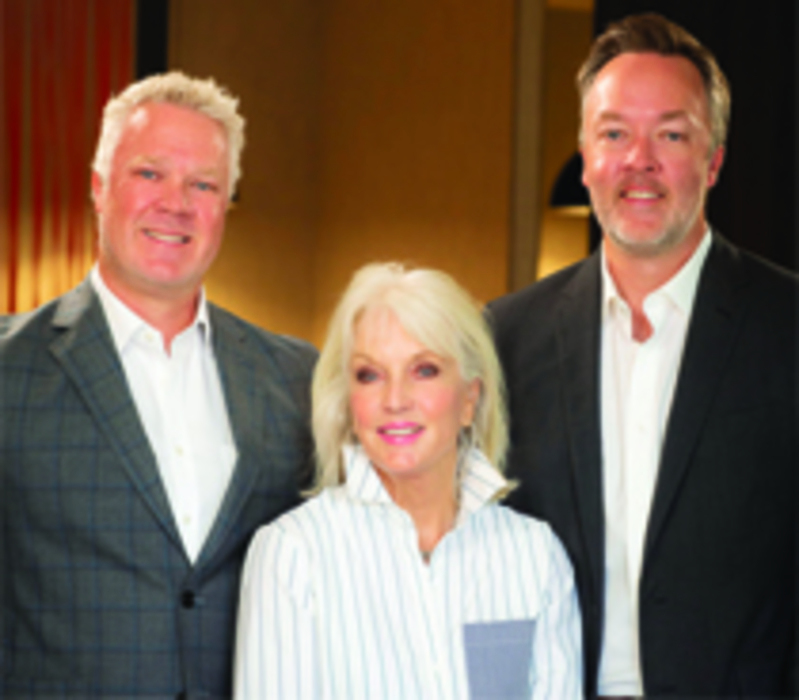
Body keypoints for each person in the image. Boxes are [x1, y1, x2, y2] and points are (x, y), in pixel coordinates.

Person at [489, 13, 797, 699]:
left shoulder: (787, 330)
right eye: (614, 134)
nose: (639, 160)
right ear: (584, 155)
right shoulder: (504, 339)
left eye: (671, 135)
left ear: (714, 160)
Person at [0, 72, 316, 698]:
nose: (177, 203)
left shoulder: (298, 378)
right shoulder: (8, 368)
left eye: (204, 184)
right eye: (150, 174)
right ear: (99, 188)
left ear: (225, 205)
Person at [233, 262, 583, 699]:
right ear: (349, 403)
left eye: (424, 370)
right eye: (370, 375)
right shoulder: (292, 554)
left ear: (470, 399)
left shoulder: (535, 556)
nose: (395, 400)